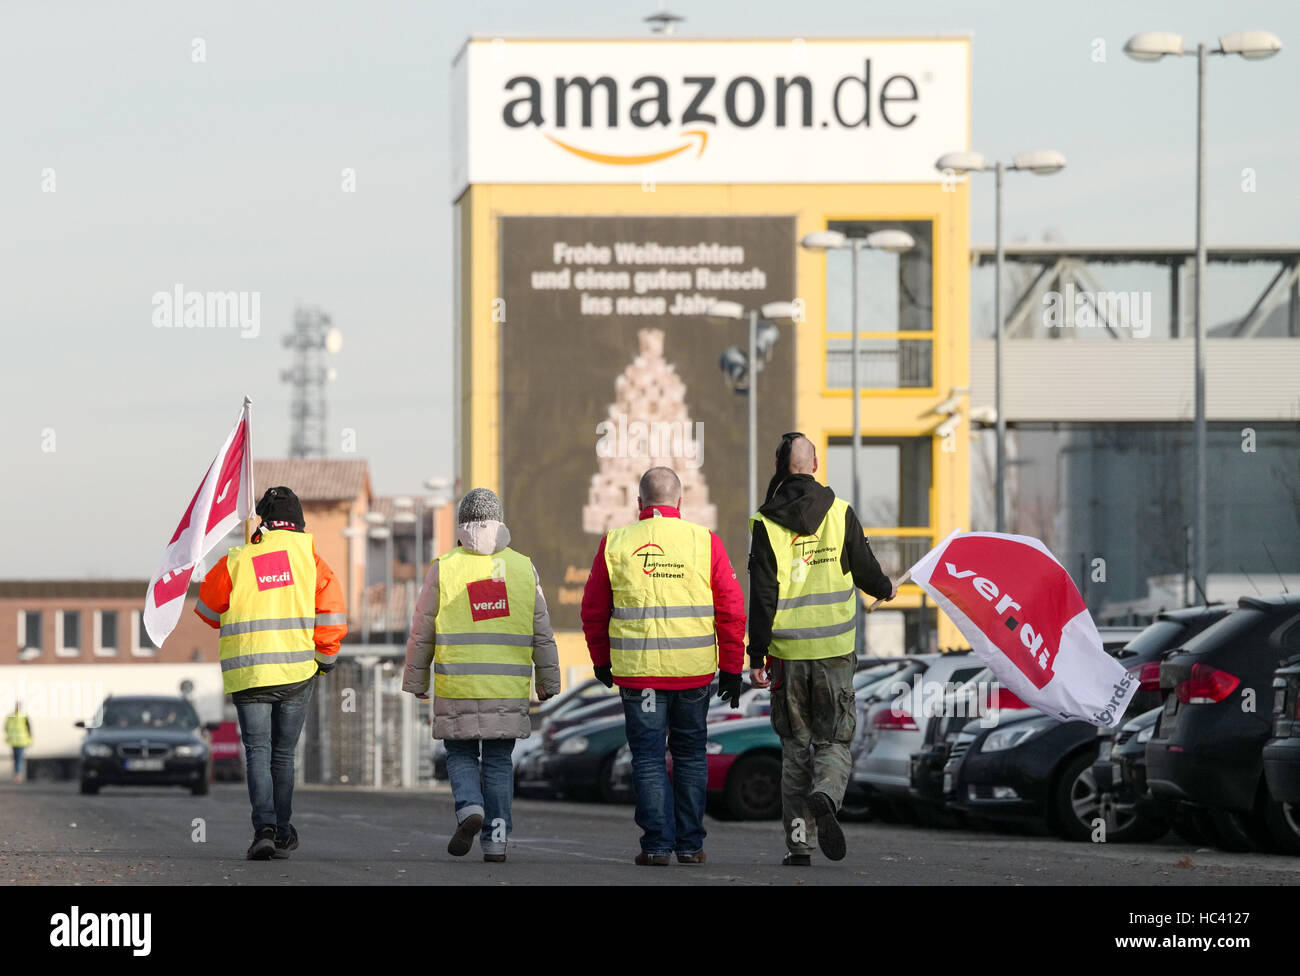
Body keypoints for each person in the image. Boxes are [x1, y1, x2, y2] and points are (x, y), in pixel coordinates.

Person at [581, 466, 746, 865]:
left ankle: (656, 845)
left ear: (639, 503)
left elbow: (593, 610)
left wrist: (602, 661)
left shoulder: (615, 543)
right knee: (690, 756)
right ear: (680, 502)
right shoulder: (704, 541)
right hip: (693, 674)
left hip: (640, 676)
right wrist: (731, 668)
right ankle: (690, 846)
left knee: (649, 759)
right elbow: (731, 609)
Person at [748, 433, 896, 866]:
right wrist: (884, 588)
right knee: (834, 741)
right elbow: (867, 569)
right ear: (814, 463)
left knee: (795, 750)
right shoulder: (840, 512)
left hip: (787, 657)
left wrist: (756, 657)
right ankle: (827, 794)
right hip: (834, 653)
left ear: (780, 465)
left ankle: (799, 847)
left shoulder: (765, 522)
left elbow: (761, 596)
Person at [404, 488, 560, 863]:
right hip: (506, 687)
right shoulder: (523, 567)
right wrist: (548, 681)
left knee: (459, 753)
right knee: (497, 762)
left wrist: (417, 681)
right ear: (500, 522)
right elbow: (542, 631)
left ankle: (470, 807)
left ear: (461, 525)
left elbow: (421, 629)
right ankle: (496, 841)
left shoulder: (444, 566)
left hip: (457, 683)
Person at [195, 486, 347, 861]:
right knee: (283, 755)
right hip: (296, 674)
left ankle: (263, 827)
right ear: (298, 523)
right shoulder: (313, 561)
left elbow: (208, 611)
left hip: (249, 675)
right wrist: (325, 660)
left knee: (257, 752)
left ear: (263, 520)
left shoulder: (237, 558)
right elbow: (331, 616)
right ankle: (282, 831)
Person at [6, 702, 32, 783]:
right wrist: (30, 739)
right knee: (19, 759)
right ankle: (18, 775)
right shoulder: (24, 716)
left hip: (13, 740)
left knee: (16, 759)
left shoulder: (10, 716)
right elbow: (29, 729)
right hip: (21, 740)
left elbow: (6, 727)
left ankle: (16, 775)